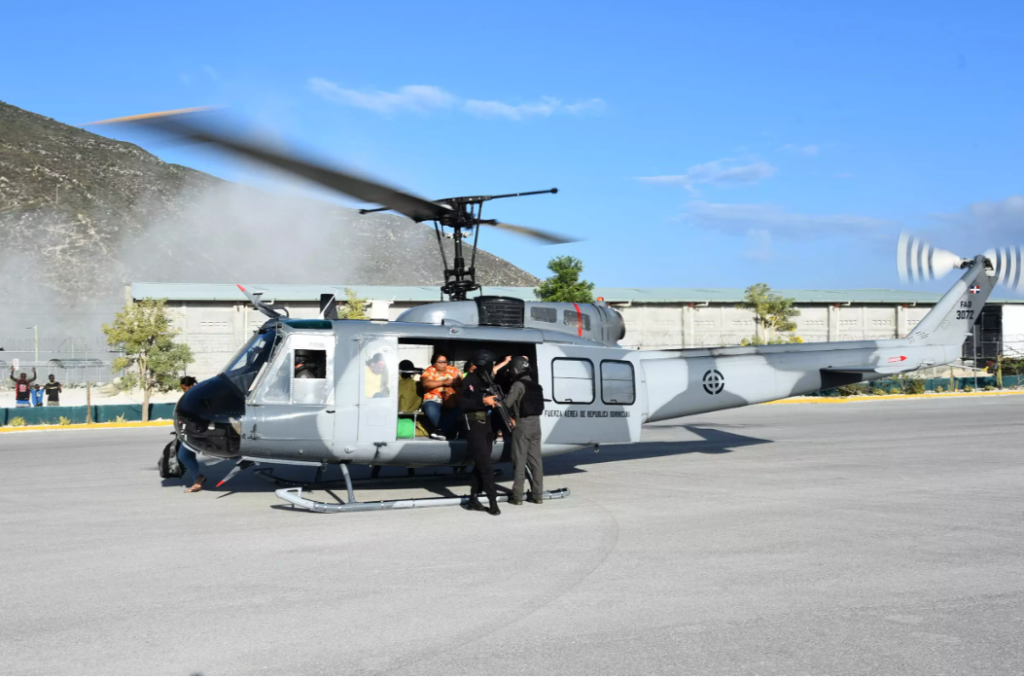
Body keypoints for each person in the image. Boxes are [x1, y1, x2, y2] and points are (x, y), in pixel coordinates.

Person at [461, 349, 503, 515]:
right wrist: (482, 400)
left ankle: (473, 499)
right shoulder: (470, 380)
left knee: (480, 465)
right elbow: (463, 402)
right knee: (485, 465)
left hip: (486, 424)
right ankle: (493, 502)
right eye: (490, 363)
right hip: (474, 424)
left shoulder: (487, 381)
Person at [503, 356, 545, 505]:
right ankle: (538, 495)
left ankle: (517, 497)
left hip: (522, 426)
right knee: (536, 462)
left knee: (519, 461)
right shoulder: (536, 385)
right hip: (536, 425)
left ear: (516, 369)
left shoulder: (518, 385)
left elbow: (506, 404)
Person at [419, 353, 461, 436]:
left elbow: (461, 381)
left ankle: (441, 431)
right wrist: (443, 382)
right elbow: (426, 383)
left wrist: (454, 382)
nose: (443, 364)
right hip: (433, 399)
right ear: (434, 363)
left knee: (460, 408)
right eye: (440, 362)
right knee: (430, 408)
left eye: (445, 362)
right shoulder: (429, 371)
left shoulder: (453, 370)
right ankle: (447, 432)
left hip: (451, 398)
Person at [176, 376, 204, 493]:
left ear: (191, 385)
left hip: (193, 431)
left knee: (183, 456)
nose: (184, 390)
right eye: (183, 389)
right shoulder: (191, 395)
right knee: (187, 455)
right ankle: (197, 481)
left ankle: (198, 480)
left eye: (185, 388)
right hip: (188, 430)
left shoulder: (197, 396)